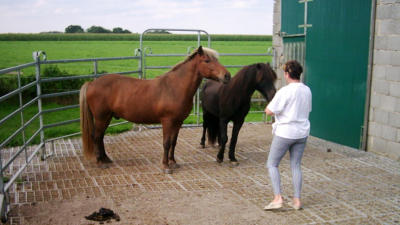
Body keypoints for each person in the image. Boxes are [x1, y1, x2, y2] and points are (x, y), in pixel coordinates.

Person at [263, 60, 312, 210]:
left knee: (272, 164)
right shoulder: (307, 90)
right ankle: (297, 200)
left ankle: (278, 198)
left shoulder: (284, 91)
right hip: (302, 132)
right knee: (296, 165)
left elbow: (269, 111)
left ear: (286, 74)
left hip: (285, 133)